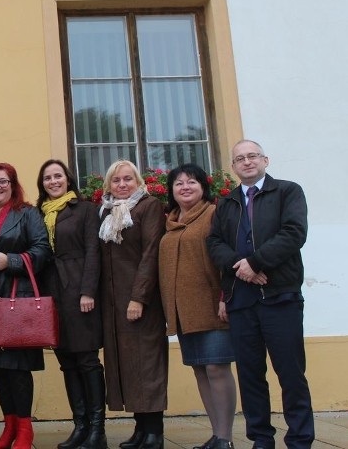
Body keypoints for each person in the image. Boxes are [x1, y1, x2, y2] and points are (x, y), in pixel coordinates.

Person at [206, 140, 313, 449]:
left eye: (252, 156)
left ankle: (300, 439)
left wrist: (256, 262)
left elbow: (294, 233)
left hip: (280, 297)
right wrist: (241, 267)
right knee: (251, 375)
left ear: (265, 160)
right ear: (234, 167)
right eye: (240, 159)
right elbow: (214, 243)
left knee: (291, 373)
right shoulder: (226, 202)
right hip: (241, 301)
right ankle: (261, 439)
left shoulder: (288, 192)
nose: (247, 162)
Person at [0, 163, 51, 449]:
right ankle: (9, 427)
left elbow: (43, 250)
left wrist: (11, 261)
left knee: (17, 369)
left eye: (4, 182)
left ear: (13, 185)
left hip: (15, 302)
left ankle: (25, 430)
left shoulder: (27, 214)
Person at [159, 164, 236, 449]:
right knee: (200, 370)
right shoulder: (171, 221)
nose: (185, 187)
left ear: (204, 187)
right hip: (183, 311)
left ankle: (226, 437)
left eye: (192, 182)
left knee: (217, 368)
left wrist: (224, 297)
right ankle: (216, 435)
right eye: (178, 183)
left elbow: (228, 258)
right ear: (171, 191)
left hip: (213, 307)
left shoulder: (215, 215)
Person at [36, 159, 106, 449]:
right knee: (66, 361)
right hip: (52, 294)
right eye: (47, 178)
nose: (53, 182)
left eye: (58, 176)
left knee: (87, 361)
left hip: (79, 291)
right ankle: (80, 426)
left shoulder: (86, 209)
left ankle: (97, 430)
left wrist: (88, 291)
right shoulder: (39, 214)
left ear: (68, 179)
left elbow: (94, 251)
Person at [97, 160, 168, 449]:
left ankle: (154, 433)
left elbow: (151, 253)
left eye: (128, 179)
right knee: (129, 366)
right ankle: (141, 430)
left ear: (138, 182)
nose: (122, 185)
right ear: (109, 185)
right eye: (116, 180)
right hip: (114, 303)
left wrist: (138, 298)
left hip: (142, 301)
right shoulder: (107, 211)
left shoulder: (148, 206)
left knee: (147, 365)